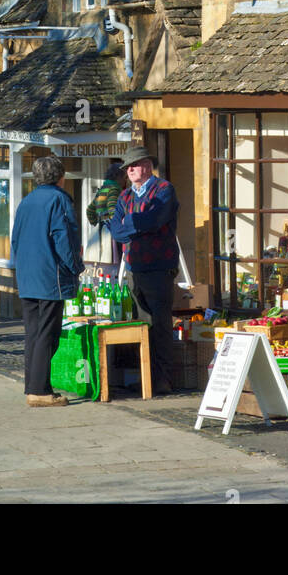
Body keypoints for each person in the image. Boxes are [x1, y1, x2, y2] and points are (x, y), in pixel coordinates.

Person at [11, 154, 84, 407]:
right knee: (47, 334)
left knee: (33, 333)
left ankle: (33, 386)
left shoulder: (26, 201)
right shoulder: (59, 199)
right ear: (61, 177)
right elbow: (64, 239)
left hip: (27, 275)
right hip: (49, 276)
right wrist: (76, 267)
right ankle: (40, 391)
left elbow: (15, 240)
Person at [109, 145, 179, 395]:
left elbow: (154, 220)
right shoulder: (125, 196)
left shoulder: (164, 190)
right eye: (127, 167)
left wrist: (131, 223)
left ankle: (163, 379)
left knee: (160, 325)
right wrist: (133, 224)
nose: (129, 170)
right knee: (140, 324)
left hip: (159, 266)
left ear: (147, 166)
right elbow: (116, 230)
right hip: (134, 267)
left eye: (134, 165)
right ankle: (144, 377)